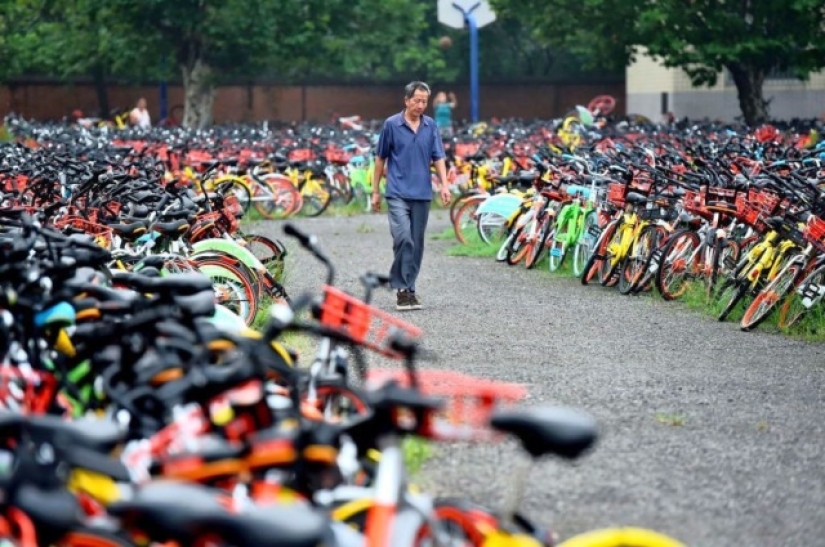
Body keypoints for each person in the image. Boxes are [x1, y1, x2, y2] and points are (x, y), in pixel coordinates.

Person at [372, 81, 452, 311]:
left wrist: (444, 185)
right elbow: (380, 159)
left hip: (422, 193)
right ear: (406, 100)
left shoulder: (431, 126)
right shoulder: (391, 125)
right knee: (403, 238)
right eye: (416, 100)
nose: (420, 105)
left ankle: (409, 290)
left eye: (424, 101)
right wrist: (375, 191)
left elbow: (438, 158)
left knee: (416, 244)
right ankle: (401, 287)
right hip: (397, 192)